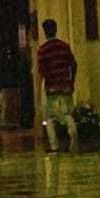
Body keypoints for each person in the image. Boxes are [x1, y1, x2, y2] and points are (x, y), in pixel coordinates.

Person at [37, 19, 79, 152]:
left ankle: (54, 146)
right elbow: (74, 64)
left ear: (45, 32)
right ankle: (73, 136)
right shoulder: (64, 47)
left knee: (50, 118)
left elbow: (41, 71)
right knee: (67, 115)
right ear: (55, 30)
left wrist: (39, 91)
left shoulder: (43, 50)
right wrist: (71, 82)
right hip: (65, 86)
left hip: (52, 88)